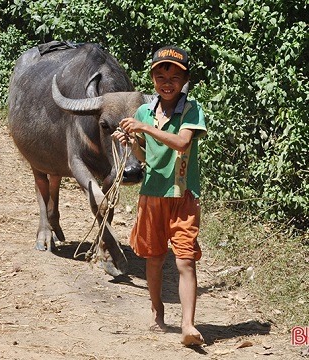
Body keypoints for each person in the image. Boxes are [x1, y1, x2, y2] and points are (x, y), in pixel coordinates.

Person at [113, 46, 207, 346]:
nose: (167, 81)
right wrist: (130, 141)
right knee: (153, 259)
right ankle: (157, 312)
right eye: (160, 74)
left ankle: (188, 325)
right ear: (152, 78)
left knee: (185, 260)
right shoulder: (144, 111)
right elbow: (143, 156)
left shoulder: (191, 110)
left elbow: (181, 143)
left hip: (182, 195)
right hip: (152, 194)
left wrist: (143, 128)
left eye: (175, 76)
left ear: (185, 81)